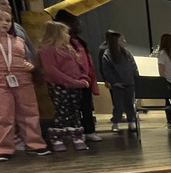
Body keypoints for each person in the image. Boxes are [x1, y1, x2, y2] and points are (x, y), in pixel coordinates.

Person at [0, 6, 50, 160]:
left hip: (22, 80)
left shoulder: (18, 39)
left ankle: (35, 144)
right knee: (1, 115)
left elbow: (26, 59)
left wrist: (31, 68)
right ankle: (1, 149)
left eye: (8, 20)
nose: (4, 23)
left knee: (30, 113)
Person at [38, 21, 92, 152]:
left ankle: (77, 137)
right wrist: (73, 82)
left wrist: (84, 78)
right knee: (61, 112)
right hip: (59, 87)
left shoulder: (69, 49)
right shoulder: (47, 50)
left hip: (75, 87)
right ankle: (57, 137)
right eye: (65, 33)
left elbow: (80, 67)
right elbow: (52, 71)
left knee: (75, 111)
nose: (68, 36)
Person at [54, 10, 101, 142]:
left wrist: (87, 78)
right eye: (76, 22)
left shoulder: (80, 42)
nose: (79, 24)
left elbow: (83, 62)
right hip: (68, 82)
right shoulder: (60, 44)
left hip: (84, 80)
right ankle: (68, 135)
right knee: (68, 110)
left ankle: (87, 131)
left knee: (86, 107)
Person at [100, 30, 139, 133]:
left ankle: (131, 122)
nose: (124, 41)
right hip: (117, 85)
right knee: (118, 105)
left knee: (129, 104)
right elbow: (106, 70)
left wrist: (136, 79)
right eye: (121, 39)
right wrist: (113, 82)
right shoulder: (108, 54)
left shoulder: (127, 53)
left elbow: (133, 67)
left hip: (129, 83)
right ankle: (115, 123)